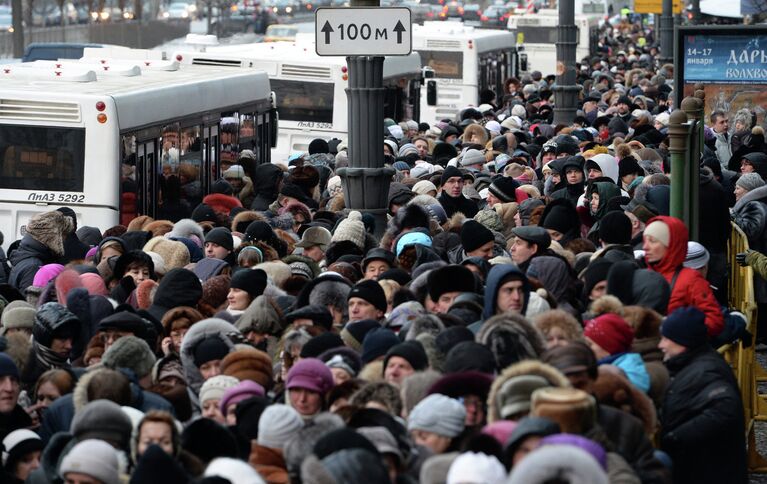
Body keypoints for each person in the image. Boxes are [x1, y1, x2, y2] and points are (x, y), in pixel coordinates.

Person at [658, 307, 747, 484]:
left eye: (666, 339)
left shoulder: (705, 370)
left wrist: (676, 437)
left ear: (683, 341)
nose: (661, 345)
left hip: (708, 472)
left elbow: (725, 406)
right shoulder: (694, 364)